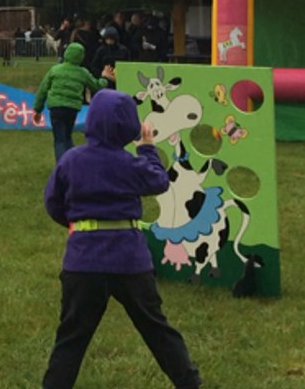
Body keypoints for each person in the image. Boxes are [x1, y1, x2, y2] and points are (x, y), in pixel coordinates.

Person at [41, 91, 203, 389]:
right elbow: (159, 181)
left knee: (71, 338)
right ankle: (189, 382)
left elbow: (53, 202)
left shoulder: (71, 160)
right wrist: (147, 148)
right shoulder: (130, 164)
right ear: (130, 126)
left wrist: (77, 224)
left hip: (83, 261)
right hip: (129, 262)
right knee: (156, 328)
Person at [32, 43, 112, 163]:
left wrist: (37, 109)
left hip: (56, 107)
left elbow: (42, 90)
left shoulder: (55, 70)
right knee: (68, 135)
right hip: (72, 109)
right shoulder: (82, 72)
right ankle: (72, 162)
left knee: (59, 139)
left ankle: (62, 166)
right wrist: (104, 77)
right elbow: (97, 86)